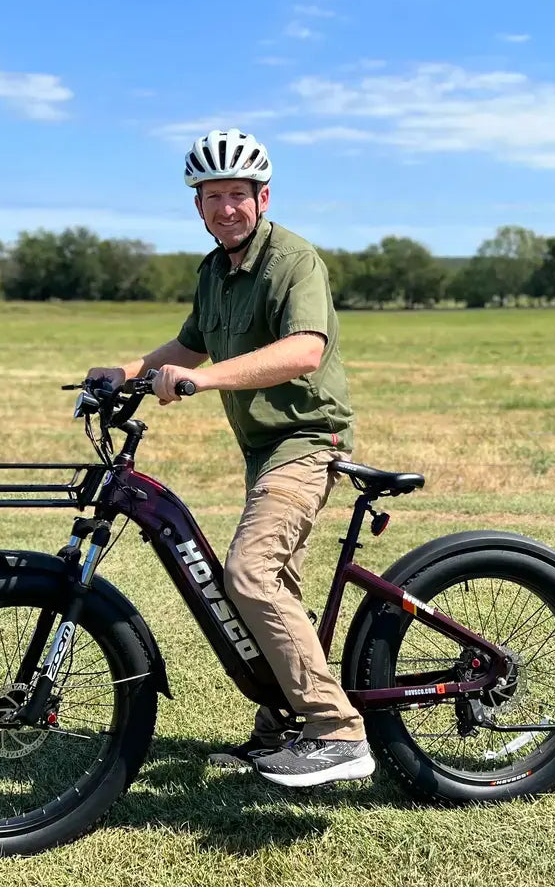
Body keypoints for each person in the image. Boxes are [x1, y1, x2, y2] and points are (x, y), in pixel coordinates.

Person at [85, 128, 373, 787]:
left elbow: (305, 349)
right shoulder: (213, 273)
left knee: (247, 575)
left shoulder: (294, 261)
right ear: (198, 206)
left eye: (238, 195)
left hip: (306, 441)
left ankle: (338, 732)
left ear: (262, 198)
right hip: (261, 450)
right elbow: (188, 346)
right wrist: (124, 372)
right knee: (267, 590)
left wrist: (204, 380)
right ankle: (280, 730)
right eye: (212, 197)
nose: (226, 208)